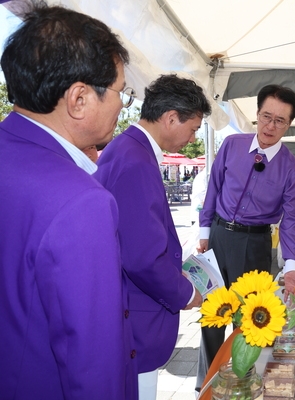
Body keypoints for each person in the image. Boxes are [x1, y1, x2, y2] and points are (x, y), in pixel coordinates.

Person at [0, 5, 137, 399]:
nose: (121, 105)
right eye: (120, 92)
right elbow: (93, 362)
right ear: (79, 99)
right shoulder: (80, 201)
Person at [94, 74, 207, 400]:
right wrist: (186, 294)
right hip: (134, 318)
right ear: (171, 118)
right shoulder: (135, 160)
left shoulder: (126, 149)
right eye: (194, 128)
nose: (193, 136)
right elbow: (142, 257)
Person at [196, 84, 295, 389]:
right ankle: (206, 385)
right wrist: (205, 232)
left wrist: (291, 266)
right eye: (266, 117)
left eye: (280, 121)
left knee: (246, 320)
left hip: (255, 244)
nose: (270, 126)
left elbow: (294, 220)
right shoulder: (232, 145)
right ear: (256, 114)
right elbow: (213, 189)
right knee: (211, 316)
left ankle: (239, 383)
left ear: (289, 125)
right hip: (218, 237)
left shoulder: (292, 170)